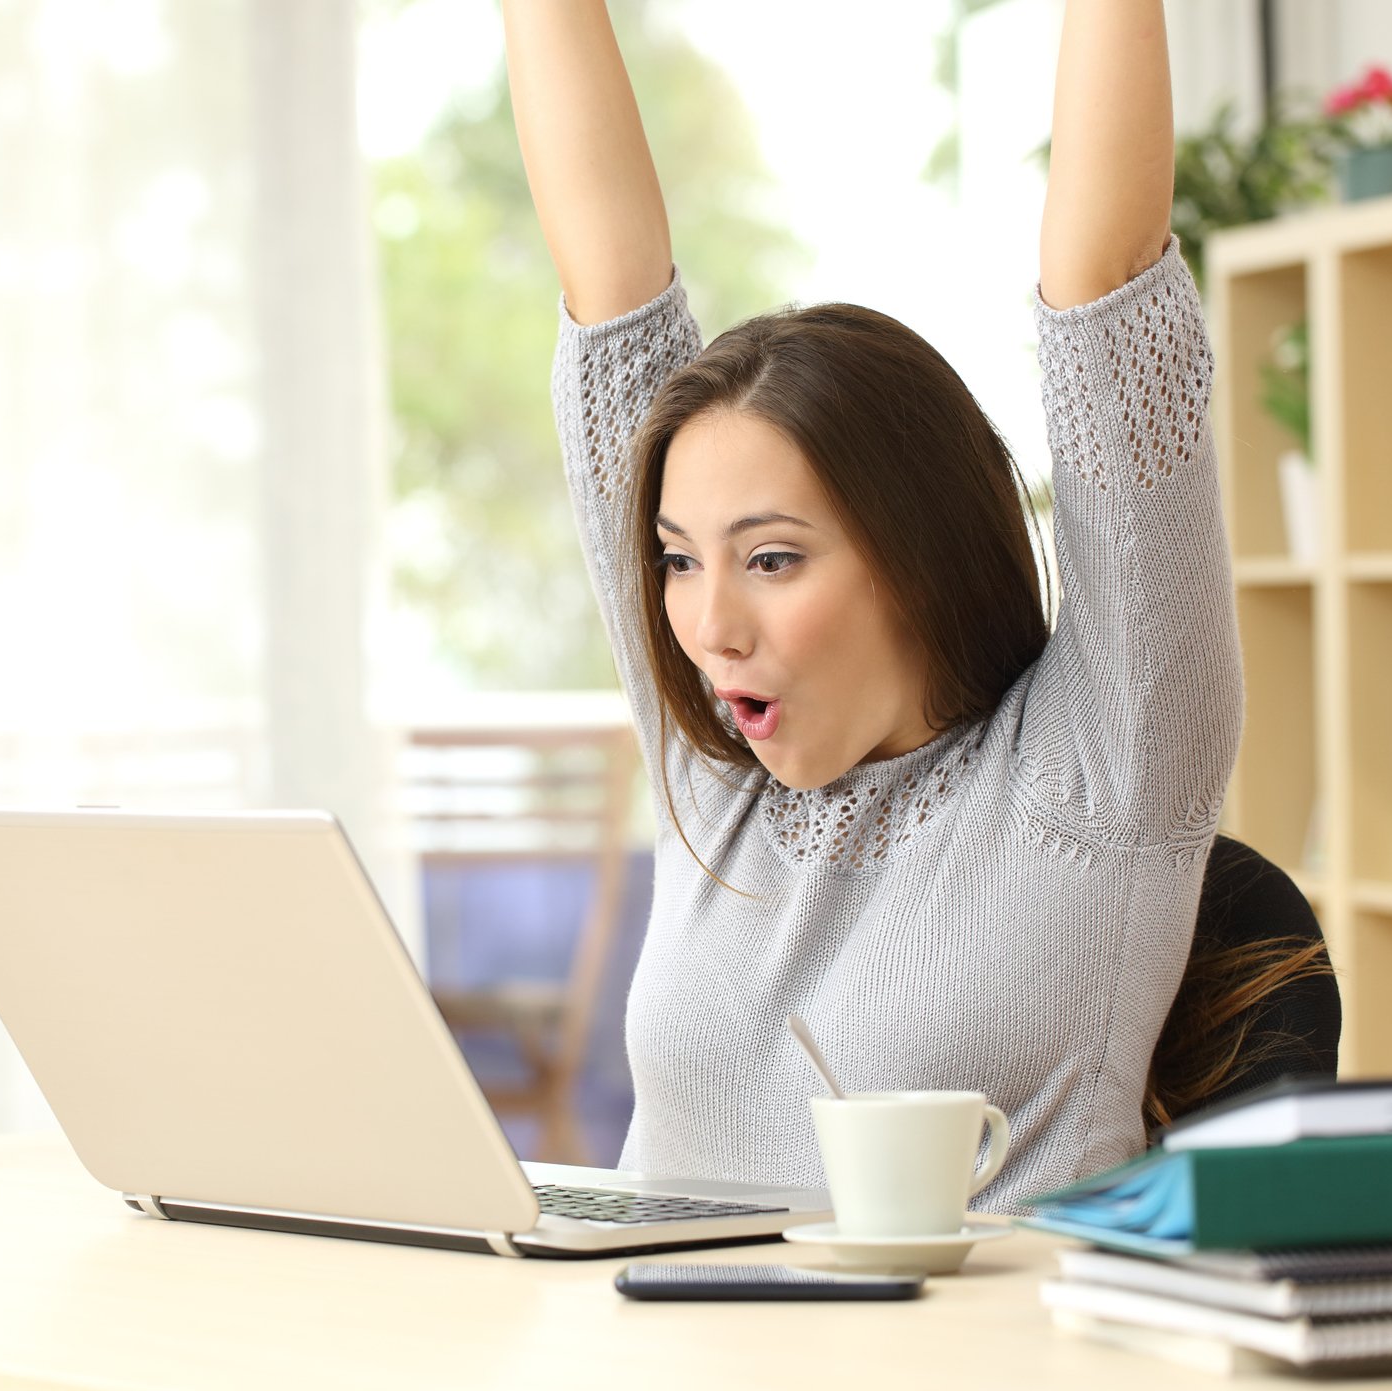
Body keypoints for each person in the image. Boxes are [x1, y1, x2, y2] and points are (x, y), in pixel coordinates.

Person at [503, 0, 1257, 1211]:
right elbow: (608, 294)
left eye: (774, 559)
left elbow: (1107, 291)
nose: (707, 628)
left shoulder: (1104, 761)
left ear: (915, 554)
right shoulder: (716, 767)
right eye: (679, 558)